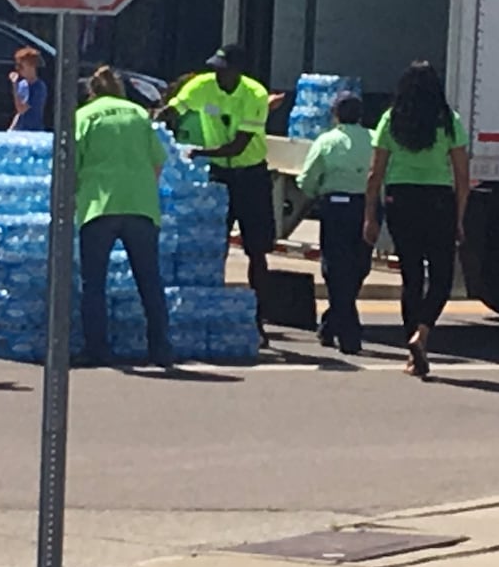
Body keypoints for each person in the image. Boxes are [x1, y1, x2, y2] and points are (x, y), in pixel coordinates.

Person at [363, 61, 470, 378]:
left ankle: (412, 354)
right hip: (438, 199)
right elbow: (462, 176)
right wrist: (460, 217)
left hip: (401, 198)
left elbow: (375, 173)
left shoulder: (391, 119)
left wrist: (370, 215)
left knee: (410, 275)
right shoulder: (449, 122)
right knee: (441, 275)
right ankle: (422, 334)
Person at [163, 43, 274, 346]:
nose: (217, 73)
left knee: (257, 250)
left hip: (250, 174)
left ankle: (258, 318)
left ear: (237, 70)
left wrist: (197, 152)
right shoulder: (203, 86)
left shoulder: (255, 94)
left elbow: (238, 146)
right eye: (216, 67)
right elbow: (174, 109)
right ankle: (214, 311)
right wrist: (160, 126)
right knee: (214, 245)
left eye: (223, 69)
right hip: (219, 176)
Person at [75, 66, 172, 367]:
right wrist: (143, 190)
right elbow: (158, 162)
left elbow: (71, 165)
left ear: (92, 91)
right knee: (149, 280)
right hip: (140, 204)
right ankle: (160, 348)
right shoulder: (139, 114)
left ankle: (98, 349)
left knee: (94, 283)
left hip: (99, 205)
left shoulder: (84, 116)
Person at [297, 92, 373, 355]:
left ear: (335, 115)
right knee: (358, 266)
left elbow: (307, 180)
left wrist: (315, 192)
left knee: (335, 268)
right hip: (366, 207)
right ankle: (334, 326)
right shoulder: (374, 140)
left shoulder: (326, 141)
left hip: (336, 207)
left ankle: (344, 330)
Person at [9, 47, 48, 131]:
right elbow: (19, 113)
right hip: (21, 129)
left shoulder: (39, 87)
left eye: (21, 66)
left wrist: (14, 85)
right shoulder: (22, 85)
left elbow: (21, 108)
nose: (18, 69)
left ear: (31, 66)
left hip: (34, 130)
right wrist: (11, 128)